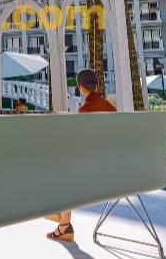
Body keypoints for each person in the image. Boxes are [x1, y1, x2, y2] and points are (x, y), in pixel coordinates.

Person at [48, 68, 116, 243]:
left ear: (79, 87)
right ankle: (60, 215)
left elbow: (80, 143)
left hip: (93, 170)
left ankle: (64, 224)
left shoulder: (86, 109)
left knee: (62, 169)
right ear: (97, 85)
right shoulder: (111, 108)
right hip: (111, 165)